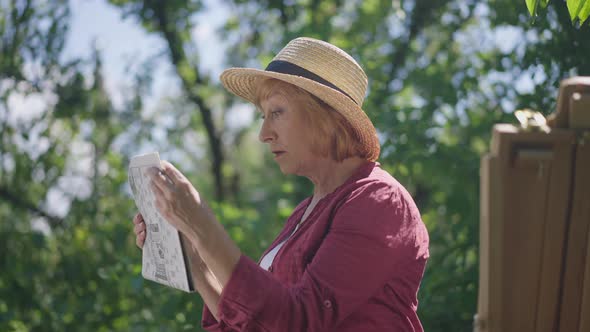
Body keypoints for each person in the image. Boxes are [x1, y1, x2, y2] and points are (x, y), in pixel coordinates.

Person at [132, 37, 429, 331]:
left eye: (276, 112)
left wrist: (202, 224)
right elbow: (257, 322)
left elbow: (297, 321)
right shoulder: (304, 214)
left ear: (327, 117)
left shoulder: (379, 200)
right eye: (264, 116)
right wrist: (192, 259)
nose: (263, 134)